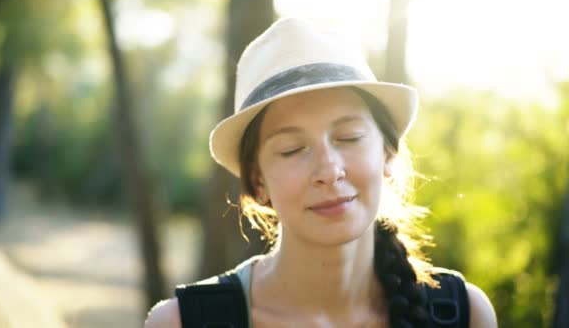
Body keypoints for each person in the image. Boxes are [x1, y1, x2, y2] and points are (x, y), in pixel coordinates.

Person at [145, 17, 497, 328]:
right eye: (292, 150)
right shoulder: (181, 323)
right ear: (257, 180)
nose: (329, 171)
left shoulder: (463, 315)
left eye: (348, 138)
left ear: (388, 154)